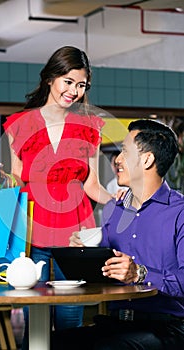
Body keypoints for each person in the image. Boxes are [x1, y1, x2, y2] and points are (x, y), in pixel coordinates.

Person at [0, 46, 121, 347]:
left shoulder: (90, 127)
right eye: (68, 81)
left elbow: (92, 185)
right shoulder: (21, 125)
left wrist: (123, 203)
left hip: (75, 234)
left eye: (81, 85)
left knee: (71, 319)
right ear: (51, 78)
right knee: (36, 318)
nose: (74, 91)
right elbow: (17, 178)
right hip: (31, 230)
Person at [52, 119, 184, 350]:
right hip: (116, 323)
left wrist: (140, 273)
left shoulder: (180, 211)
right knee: (49, 342)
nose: (117, 160)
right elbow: (103, 268)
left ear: (147, 159)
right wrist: (83, 253)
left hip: (166, 326)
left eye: (124, 151)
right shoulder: (116, 209)